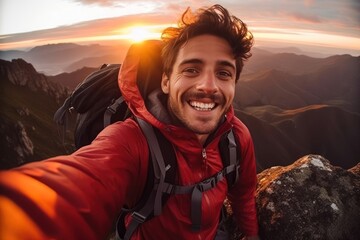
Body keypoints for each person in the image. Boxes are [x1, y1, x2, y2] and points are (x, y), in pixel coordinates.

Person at [0, 4, 259, 240]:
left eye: (224, 73)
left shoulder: (236, 138)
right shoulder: (131, 141)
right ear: (166, 81)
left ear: (234, 84)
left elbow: (244, 195)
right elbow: (72, 187)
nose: (208, 86)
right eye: (191, 69)